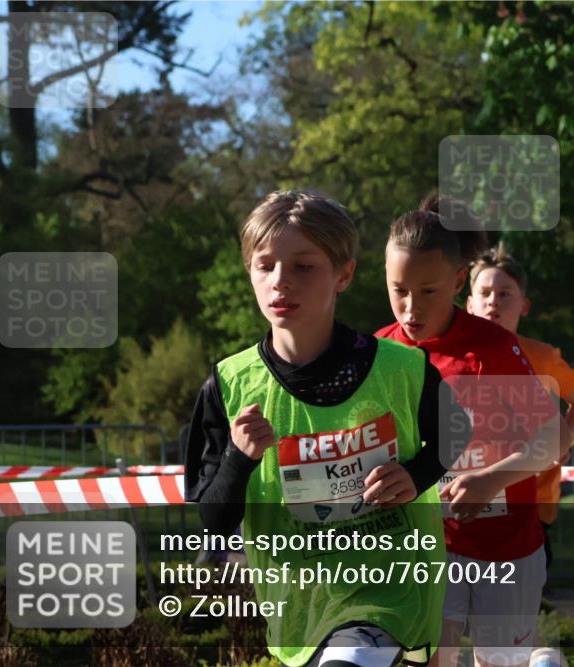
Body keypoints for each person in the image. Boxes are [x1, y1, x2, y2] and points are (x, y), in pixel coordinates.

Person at [184, 191, 469, 667]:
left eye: (303, 266)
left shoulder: (402, 368)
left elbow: (457, 430)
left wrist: (416, 474)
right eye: (265, 265)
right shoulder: (229, 385)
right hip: (301, 604)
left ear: (344, 274)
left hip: (390, 588)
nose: (280, 281)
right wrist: (239, 457)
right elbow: (213, 521)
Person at [376, 196, 573, 667]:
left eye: (428, 291)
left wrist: (492, 479)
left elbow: (555, 437)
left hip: (507, 549)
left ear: (458, 280)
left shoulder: (492, 347)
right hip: (428, 548)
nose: (411, 308)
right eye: (399, 290)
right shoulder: (379, 351)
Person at [466, 244, 574, 568]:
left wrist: (563, 440)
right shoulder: (450, 356)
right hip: (465, 500)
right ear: (469, 303)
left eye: (504, 293)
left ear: (524, 305)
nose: (493, 301)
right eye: (485, 293)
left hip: (532, 507)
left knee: (518, 597)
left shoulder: (542, 357)